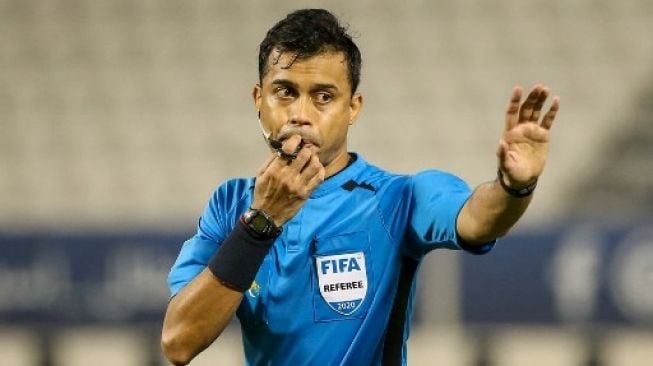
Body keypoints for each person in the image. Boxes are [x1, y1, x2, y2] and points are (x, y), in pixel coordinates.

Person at [161, 8, 560, 366]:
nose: (300, 114)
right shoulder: (231, 205)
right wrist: (260, 224)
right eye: (285, 91)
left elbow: (478, 219)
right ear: (258, 99)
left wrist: (513, 186)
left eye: (323, 96)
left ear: (353, 107)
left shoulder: (399, 198)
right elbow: (179, 342)